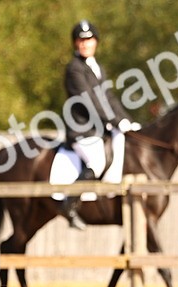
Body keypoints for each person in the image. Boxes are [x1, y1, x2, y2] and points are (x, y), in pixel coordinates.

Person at [59, 20, 138, 230]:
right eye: (81, 40)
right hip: (82, 130)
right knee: (96, 160)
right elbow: (89, 100)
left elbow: (109, 98)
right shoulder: (74, 69)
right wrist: (114, 121)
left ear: (96, 42)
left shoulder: (97, 67)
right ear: (76, 44)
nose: (85, 44)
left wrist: (127, 120)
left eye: (89, 40)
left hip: (99, 130)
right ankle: (70, 205)